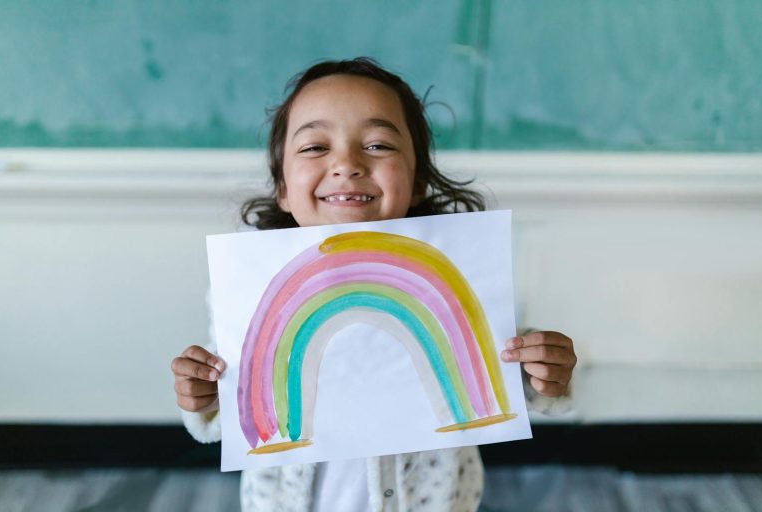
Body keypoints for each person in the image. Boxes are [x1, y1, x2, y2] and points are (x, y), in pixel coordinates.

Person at [171, 57, 577, 512]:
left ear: (419, 179)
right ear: (283, 187)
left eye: (379, 144)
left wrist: (540, 373)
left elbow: (496, 372)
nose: (346, 163)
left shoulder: (461, 275)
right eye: (313, 147)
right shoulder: (250, 284)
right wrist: (203, 395)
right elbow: (237, 400)